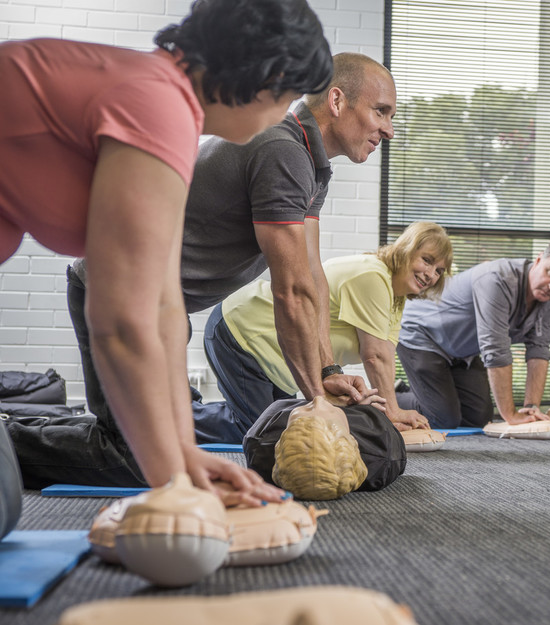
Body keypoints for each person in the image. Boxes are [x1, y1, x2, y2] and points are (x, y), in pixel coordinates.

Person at [1, 0, 333, 506]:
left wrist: (183, 451)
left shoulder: (167, 106)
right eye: (289, 97)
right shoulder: (158, 106)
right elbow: (120, 322)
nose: (282, 114)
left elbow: (164, 308)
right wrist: (176, 481)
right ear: (271, 78)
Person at [200, 222, 452, 440]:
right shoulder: (373, 275)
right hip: (243, 330)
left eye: (439, 270)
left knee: (289, 426)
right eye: (427, 260)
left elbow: (383, 352)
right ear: (407, 249)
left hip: (278, 355)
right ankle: (168, 420)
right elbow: (374, 355)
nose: (430, 274)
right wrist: (393, 413)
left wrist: (388, 409)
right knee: (257, 431)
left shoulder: (397, 297)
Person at [395, 236, 550, 429]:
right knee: (443, 419)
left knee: (479, 419)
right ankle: (389, 398)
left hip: (462, 352)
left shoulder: (547, 298)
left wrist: (531, 407)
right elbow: (495, 349)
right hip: (422, 335)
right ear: (538, 260)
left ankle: (427, 393)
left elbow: (538, 350)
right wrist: (511, 415)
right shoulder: (497, 278)